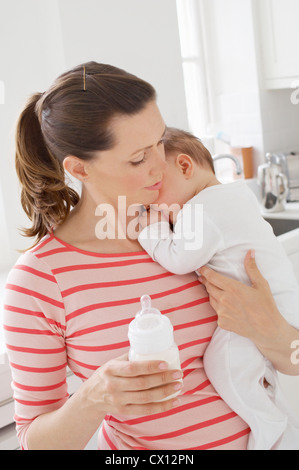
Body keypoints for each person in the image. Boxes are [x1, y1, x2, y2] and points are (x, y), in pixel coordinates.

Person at [2, 62, 299, 451]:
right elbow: (31, 442)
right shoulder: (41, 281)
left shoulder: (198, 230)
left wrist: (273, 330)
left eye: (160, 140)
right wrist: (94, 398)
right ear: (79, 168)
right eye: (138, 157)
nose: (162, 164)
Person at [138, 127, 299, 449]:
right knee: (255, 374)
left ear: (185, 167)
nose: (150, 197)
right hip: (280, 305)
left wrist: (151, 228)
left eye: (156, 186)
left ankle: (274, 434)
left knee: (222, 365)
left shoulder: (202, 209)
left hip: (263, 307)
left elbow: (178, 258)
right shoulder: (232, 195)